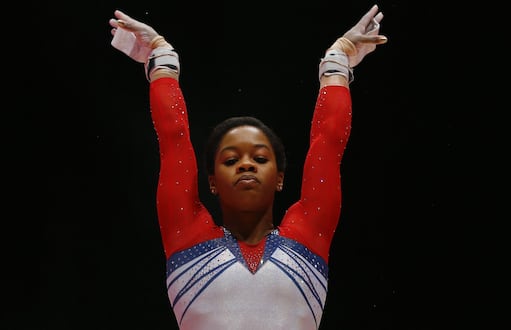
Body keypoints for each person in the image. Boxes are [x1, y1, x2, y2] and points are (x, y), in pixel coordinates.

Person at [109, 4, 387, 329]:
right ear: (211, 181)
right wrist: (161, 57)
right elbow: (173, 139)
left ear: (280, 178)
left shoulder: (310, 234)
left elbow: (328, 143)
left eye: (259, 158)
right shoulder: (186, 236)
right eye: (231, 160)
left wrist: (339, 59)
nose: (245, 166)